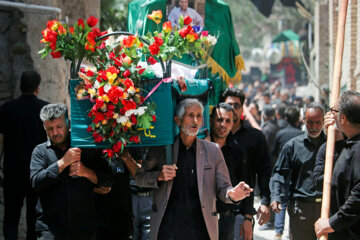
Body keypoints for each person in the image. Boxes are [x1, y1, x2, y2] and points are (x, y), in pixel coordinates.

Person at [135, 98, 252, 240]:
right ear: (178, 120)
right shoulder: (162, 150)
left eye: (198, 116)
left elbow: (224, 189)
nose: (195, 121)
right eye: (190, 115)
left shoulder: (212, 151)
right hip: (168, 230)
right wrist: (158, 176)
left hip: (201, 231)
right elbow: (139, 178)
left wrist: (232, 194)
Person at [30, 103, 112, 240]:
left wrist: (85, 172)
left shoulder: (86, 147)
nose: (55, 133)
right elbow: (36, 183)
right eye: (50, 129)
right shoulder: (40, 151)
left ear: (68, 122)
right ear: (44, 127)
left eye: (59, 127)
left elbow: (108, 180)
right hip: (50, 230)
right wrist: (62, 163)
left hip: (83, 229)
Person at [0, 71, 49, 240]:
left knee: (11, 218)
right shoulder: (45, 110)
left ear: (20, 86)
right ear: (37, 88)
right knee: (34, 219)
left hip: (12, 171)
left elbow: (0, 141)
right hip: (37, 173)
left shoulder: (7, 108)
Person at [270, 102, 326, 240]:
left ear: (324, 121)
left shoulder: (332, 145)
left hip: (327, 209)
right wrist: (276, 196)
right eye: (310, 122)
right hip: (301, 210)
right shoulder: (292, 146)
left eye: (318, 122)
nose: (314, 127)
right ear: (303, 121)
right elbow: (279, 173)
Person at [221, 88, 271, 240]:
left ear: (242, 108)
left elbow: (264, 171)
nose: (233, 110)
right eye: (229, 105)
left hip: (243, 211)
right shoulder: (214, 137)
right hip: (217, 209)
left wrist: (265, 202)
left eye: (236, 106)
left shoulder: (255, 137)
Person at [314, 91, 360, 240]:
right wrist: (336, 137)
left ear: (344, 118)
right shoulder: (349, 146)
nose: (332, 115)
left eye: (335, 111)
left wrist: (333, 222)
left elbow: (358, 195)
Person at [210, 103, 256, 240]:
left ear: (233, 123)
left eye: (227, 121)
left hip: (226, 219)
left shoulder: (238, 152)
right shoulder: (201, 147)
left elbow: (247, 184)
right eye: (219, 120)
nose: (223, 124)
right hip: (201, 219)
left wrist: (248, 218)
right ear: (212, 120)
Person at [270, 106, 303, 239]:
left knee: (282, 203)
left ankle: (278, 232)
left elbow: (273, 152)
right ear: (298, 119)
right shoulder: (301, 134)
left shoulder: (280, 134)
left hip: (284, 172)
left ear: (286, 118)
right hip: (297, 174)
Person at [259, 106, 279, 231]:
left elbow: (263, 149)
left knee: (269, 191)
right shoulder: (275, 127)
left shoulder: (267, 129)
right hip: (273, 163)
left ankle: (270, 220)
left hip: (268, 165)